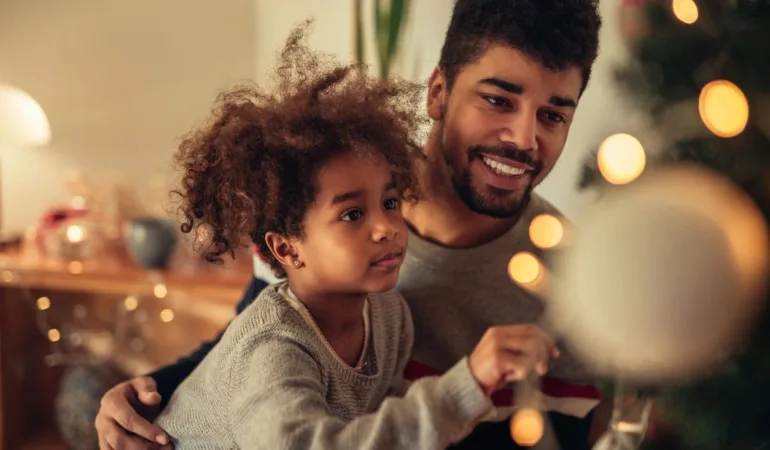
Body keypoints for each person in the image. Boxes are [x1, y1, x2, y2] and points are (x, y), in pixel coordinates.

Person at [95, 0, 604, 448]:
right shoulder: (310, 206)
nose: (523, 138)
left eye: (553, 116)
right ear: (438, 93)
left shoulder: (576, 278)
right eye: (497, 100)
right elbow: (257, 342)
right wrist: (144, 395)